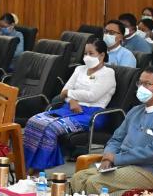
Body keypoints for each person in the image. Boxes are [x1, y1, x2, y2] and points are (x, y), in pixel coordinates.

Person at [69, 66, 153, 196]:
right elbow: (116, 139)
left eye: (147, 84)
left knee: (94, 183)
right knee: (78, 178)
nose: (141, 88)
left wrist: (117, 158)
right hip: (121, 165)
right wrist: (107, 157)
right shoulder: (135, 111)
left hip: (148, 172)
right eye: (140, 83)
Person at [23, 39, 118, 171]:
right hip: (69, 107)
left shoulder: (108, 73)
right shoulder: (79, 69)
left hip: (93, 114)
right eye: (85, 53)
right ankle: (26, 164)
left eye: (91, 53)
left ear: (101, 55)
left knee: (51, 128)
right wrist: (71, 100)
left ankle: (38, 169)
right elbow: (64, 91)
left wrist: (70, 94)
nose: (87, 57)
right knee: (34, 121)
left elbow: (92, 96)